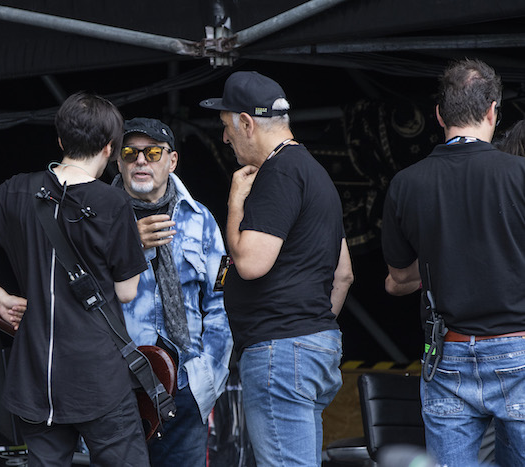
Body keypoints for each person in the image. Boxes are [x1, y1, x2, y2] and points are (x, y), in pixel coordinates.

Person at [0, 92, 150, 466]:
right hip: (98, 376)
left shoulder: (17, 189)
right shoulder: (113, 203)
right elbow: (127, 292)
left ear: (61, 141)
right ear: (110, 148)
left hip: (35, 376)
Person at [199, 71, 354, 466]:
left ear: (246, 123)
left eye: (226, 126)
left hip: (280, 352)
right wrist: (309, 329)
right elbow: (344, 275)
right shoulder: (316, 174)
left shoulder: (278, 172)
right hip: (314, 345)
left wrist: (235, 202)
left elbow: (250, 263)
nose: (225, 138)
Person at [381, 58, 525, 466]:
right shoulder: (519, 174)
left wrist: (442, 258)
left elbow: (397, 279)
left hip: (449, 354)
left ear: (440, 115)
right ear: (493, 111)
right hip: (518, 350)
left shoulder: (406, 183)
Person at [112, 117, 233, 467]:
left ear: (172, 160)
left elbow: (222, 297)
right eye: (130, 153)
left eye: (152, 153)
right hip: (116, 387)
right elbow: (77, 294)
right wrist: (129, 244)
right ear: (117, 161)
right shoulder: (97, 218)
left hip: (185, 385)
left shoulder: (201, 219)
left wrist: (210, 372)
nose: (140, 161)